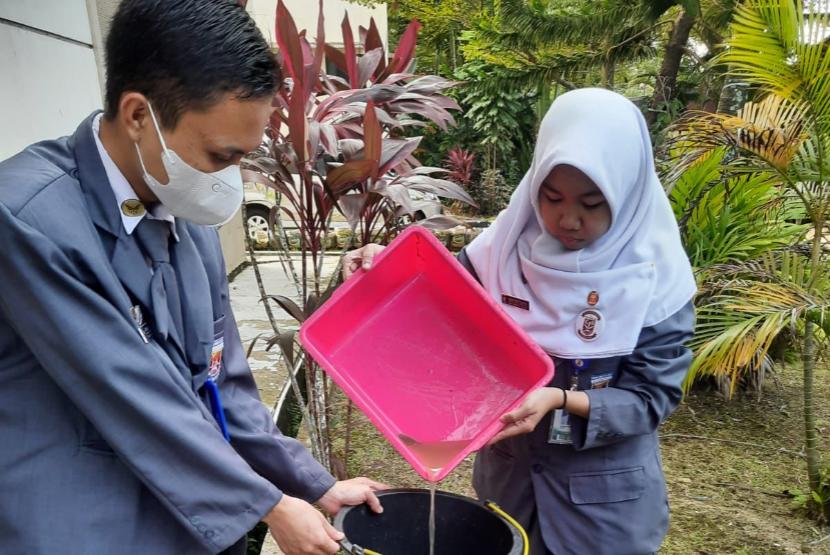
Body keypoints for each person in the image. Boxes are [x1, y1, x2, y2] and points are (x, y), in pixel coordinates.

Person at [0, 1, 385, 554]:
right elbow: (132, 393)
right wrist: (268, 505)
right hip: (79, 519)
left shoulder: (185, 207)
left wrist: (317, 485)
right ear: (138, 116)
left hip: (179, 506)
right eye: (218, 155)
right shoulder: (28, 219)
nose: (228, 181)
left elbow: (222, 380)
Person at [343, 88, 697, 555]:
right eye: (551, 198)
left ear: (627, 191)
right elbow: (433, 294)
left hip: (602, 512)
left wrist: (563, 399)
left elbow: (652, 398)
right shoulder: (503, 249)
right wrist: (382, 264)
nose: (567, 219)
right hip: (508, 491)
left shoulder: (657, 281)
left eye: (592, 204)